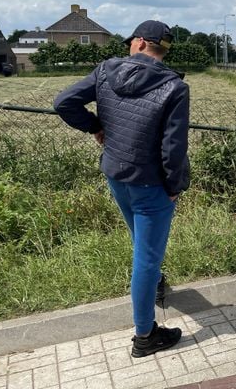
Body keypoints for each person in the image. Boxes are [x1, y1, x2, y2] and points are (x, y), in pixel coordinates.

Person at [54, 20, 190, 357]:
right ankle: (145, 336)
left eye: (132, 41)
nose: (130, 46)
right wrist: (175, 186)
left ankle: (154, 283)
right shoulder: (174, 87)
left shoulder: (105, 71)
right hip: (151, 184)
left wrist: (95, 126)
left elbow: (64, 102)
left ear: (142, 42)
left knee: (142, 244)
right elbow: (173, 148)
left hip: (116, 175)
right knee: (145, 258)